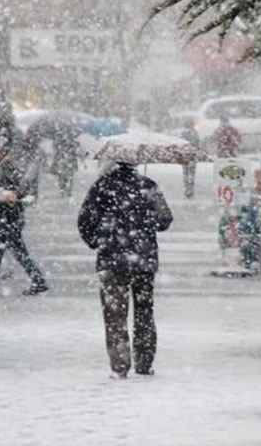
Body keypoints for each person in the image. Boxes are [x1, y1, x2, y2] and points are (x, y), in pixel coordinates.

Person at [77, 162, 173, 379]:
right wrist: (144, 220)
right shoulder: (147, 185)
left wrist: (97, 241)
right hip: (144, 259)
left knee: (114, 314)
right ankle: (144, 362)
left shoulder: (101, 187)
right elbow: (165, 220)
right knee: (144, 310)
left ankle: (120, 365)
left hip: (111, 260)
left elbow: (84, 221)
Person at [0, 142, 48, 296]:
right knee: (13, 251)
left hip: (11, 217)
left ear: (4, 153)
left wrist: (13, 195)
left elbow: (23, 186)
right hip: (5, 217)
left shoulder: (8, 167)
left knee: (7, 250)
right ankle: (38, 280)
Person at [180, 118, 200, 198]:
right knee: (191, 173)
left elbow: (180, 144)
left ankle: (186, 188)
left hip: (185, 156)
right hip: (192, 156)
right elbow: (197, 143)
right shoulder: (194, 133)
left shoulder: (183, 133)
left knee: (185, 172)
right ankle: (190, 189)